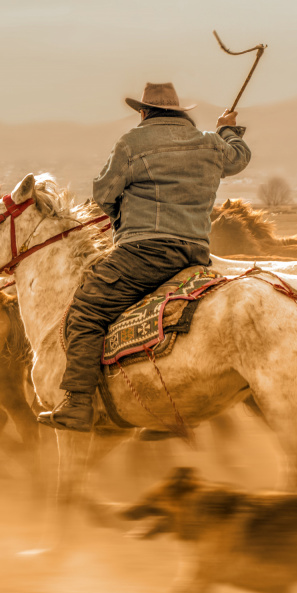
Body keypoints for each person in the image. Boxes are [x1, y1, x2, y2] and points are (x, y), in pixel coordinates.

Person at [38, 82, 252, 432]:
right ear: (179, 113)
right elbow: (239, 157)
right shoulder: (211, 143)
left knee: (86, 311)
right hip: (195, 253)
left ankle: (77, 403)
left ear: (143, 112)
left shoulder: (132, 143)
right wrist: (227, 128)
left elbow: (104, 194)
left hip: (143, 252)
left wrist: (123, 220)